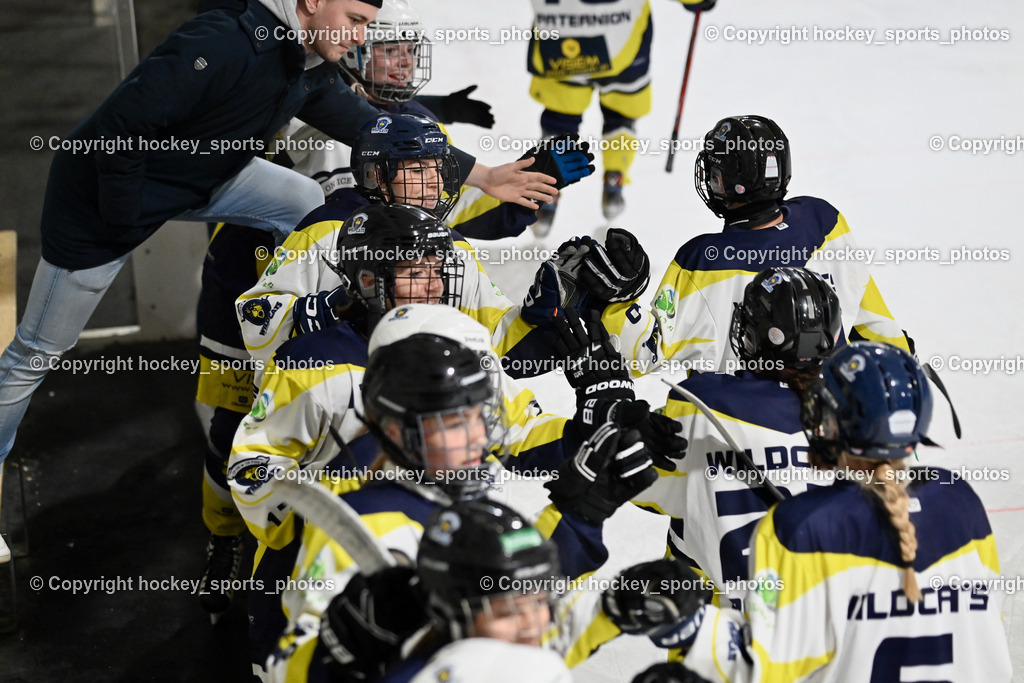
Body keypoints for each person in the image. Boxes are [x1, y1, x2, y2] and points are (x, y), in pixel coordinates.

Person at [0, 0, 563, 469]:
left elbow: (375, 127)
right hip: (99, 206)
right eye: (356, 19)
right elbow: (121, 128)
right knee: (35, 354)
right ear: (312, 1)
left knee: (302, 201)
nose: (362, 36)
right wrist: (126, 222)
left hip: (204, 178)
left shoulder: (307, 64)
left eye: (369, 24)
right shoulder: (221, 42)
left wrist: (486, 176)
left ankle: (319, 315)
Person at [265, 328, 658, 681]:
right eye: (454, 423)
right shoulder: (367, 523)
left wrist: (582, 523)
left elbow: (510, 625)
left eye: (478, 417)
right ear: (396, 430)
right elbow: (289, 668)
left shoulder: (454, 498)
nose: (477, 437)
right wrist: (342, 648)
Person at [633, 343, 1013, 682]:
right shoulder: (962, 502)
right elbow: (987, 639)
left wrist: (687, 628)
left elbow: (763, 664)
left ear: (826, 424)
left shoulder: (794, 528)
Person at [602, 115, 910, 376]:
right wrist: (899, 371)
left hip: (736, 432)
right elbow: (875, 325)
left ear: (722, 185)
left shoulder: (702, 261)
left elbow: (640, 357)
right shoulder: (824, 222)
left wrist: (614, 302)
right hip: (827, 425)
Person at [632, 267, 842, 608]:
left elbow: (644, 491)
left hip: (716, 635)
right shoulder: (857, 415)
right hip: (823, 628)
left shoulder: (702, 402)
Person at [527, 0, 716, 234]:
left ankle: (547, 195)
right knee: (620, 114)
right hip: (621, 48)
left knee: (560, 117)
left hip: (560, 40)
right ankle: (614, 179)